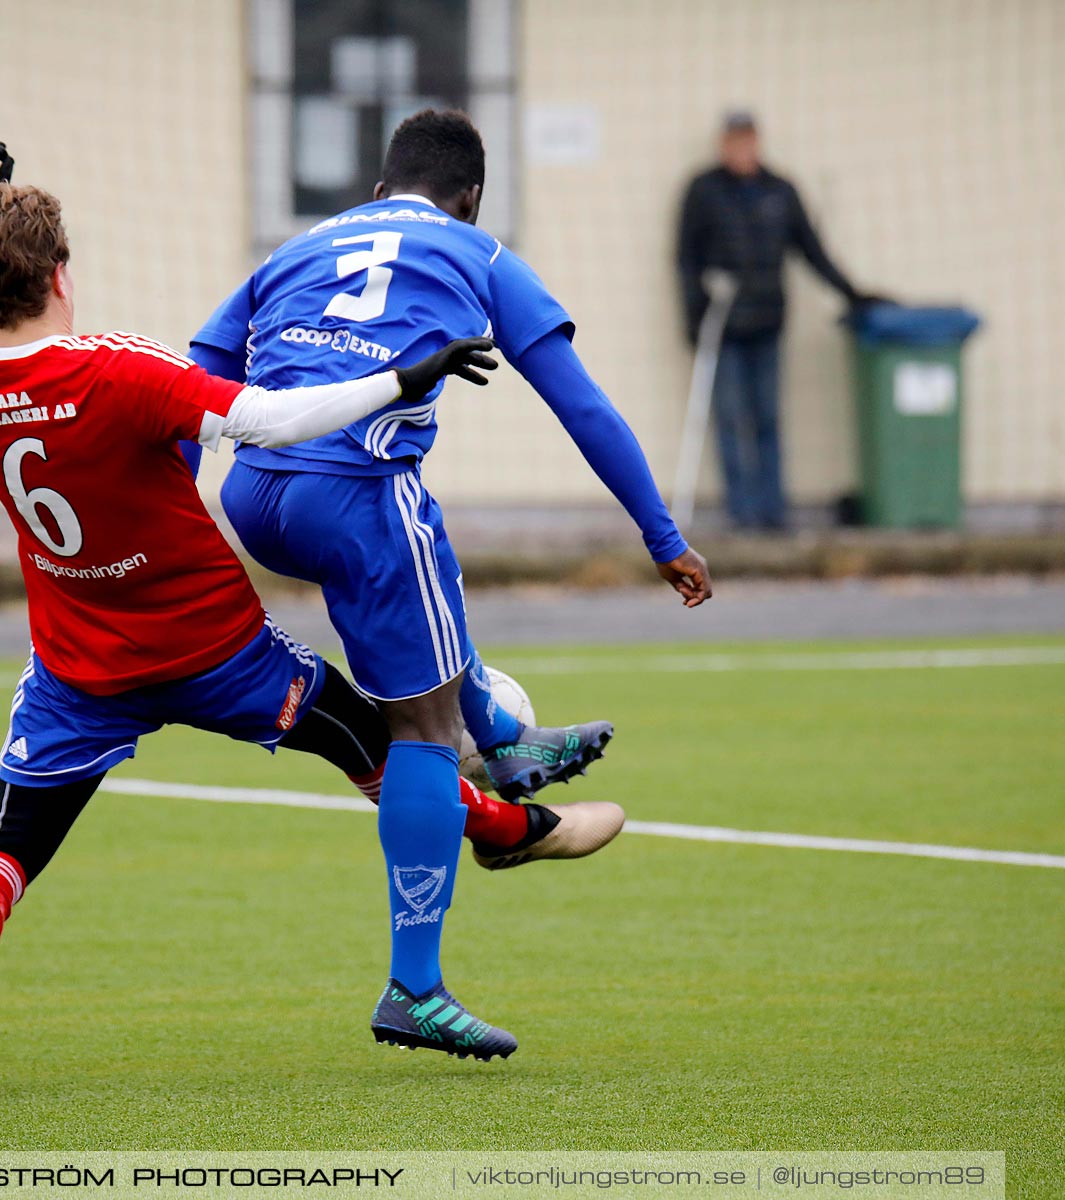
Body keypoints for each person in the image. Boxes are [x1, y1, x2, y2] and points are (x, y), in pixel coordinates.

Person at [0, 142, 512, 1095]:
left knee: (5, 851)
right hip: (217, 653)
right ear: (62, 271)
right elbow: (268, 419)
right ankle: (498, 828)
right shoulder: (117, 371)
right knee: (375, 740)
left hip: (78, 671)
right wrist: (400, 377)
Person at [190, 109, 712, 1056]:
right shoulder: (480, 251)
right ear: (470, 196)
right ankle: (416, 986)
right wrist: (661, 533)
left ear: (382, 185)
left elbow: (198, 377)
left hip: (254, 495)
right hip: (353, 495)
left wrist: (179, 513)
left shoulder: (299, 245)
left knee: (429, 561)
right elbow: (579, 403)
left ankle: (507, 740)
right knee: (423, 729)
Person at [677, 109, 885, 531]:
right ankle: (743, 513)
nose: (742, 149)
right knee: (732, 419)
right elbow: (686, 257)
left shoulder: (780, 191)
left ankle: (773, 513)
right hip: (725, 328)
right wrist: (694, 316)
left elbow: (811, 250)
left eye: (748, 140)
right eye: (734, 141)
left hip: (768, 323)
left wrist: (853, 293)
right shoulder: (704, 191)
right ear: (723, 145)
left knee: (768, 418)